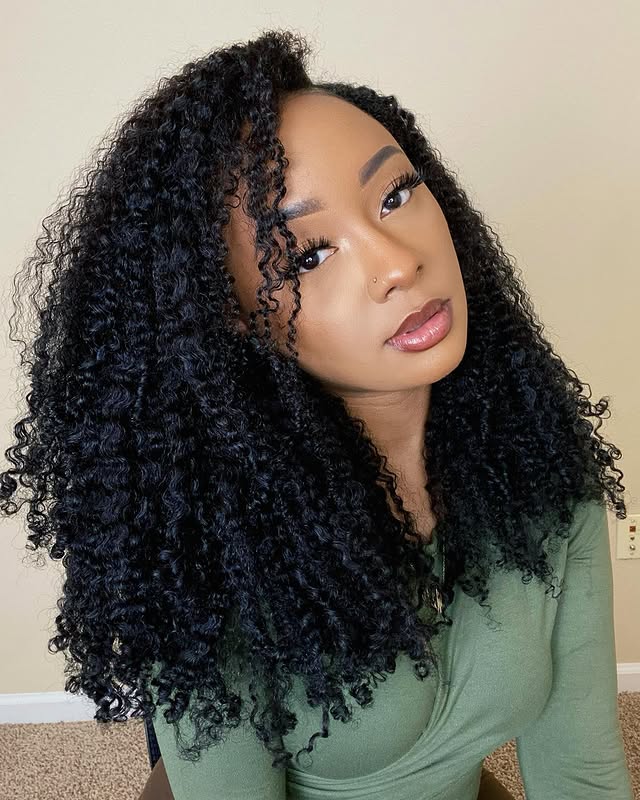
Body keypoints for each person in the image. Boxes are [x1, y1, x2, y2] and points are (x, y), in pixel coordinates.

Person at [0, 28, 632, 800]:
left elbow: (580, 769)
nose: (397, 263)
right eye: (307, 256)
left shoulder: (543, 473)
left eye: (395, 195)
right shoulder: (208, 552)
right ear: (234, 319)